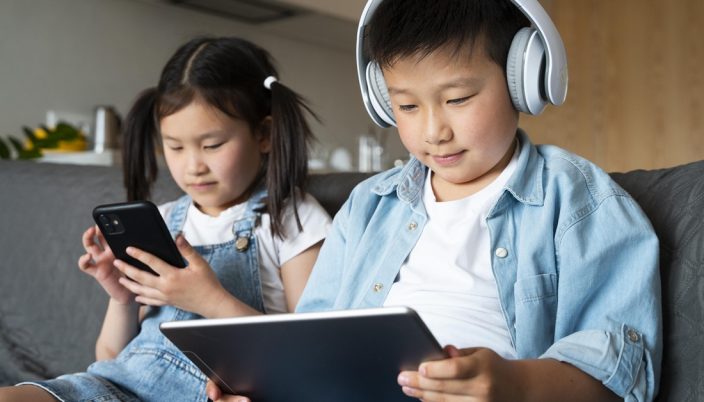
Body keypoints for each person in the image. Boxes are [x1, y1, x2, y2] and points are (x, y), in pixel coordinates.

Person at [207, 1, 662, 401]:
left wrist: (517, 386)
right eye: (406, 106)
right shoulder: (368, 206)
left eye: (458, 98)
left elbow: (620, 367)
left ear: (523, 78)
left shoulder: (580, 201)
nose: (433, 131)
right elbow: (313, 344)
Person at [0, 36, 331, 402]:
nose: (193, 165)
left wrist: (209, 300)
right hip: (117, 387)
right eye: (175, 147)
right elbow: (109, 358)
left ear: (263, 134)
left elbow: (306, 360)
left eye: (212, 145)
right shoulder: (166, 220)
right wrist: (123, 299)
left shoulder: (292, 220)